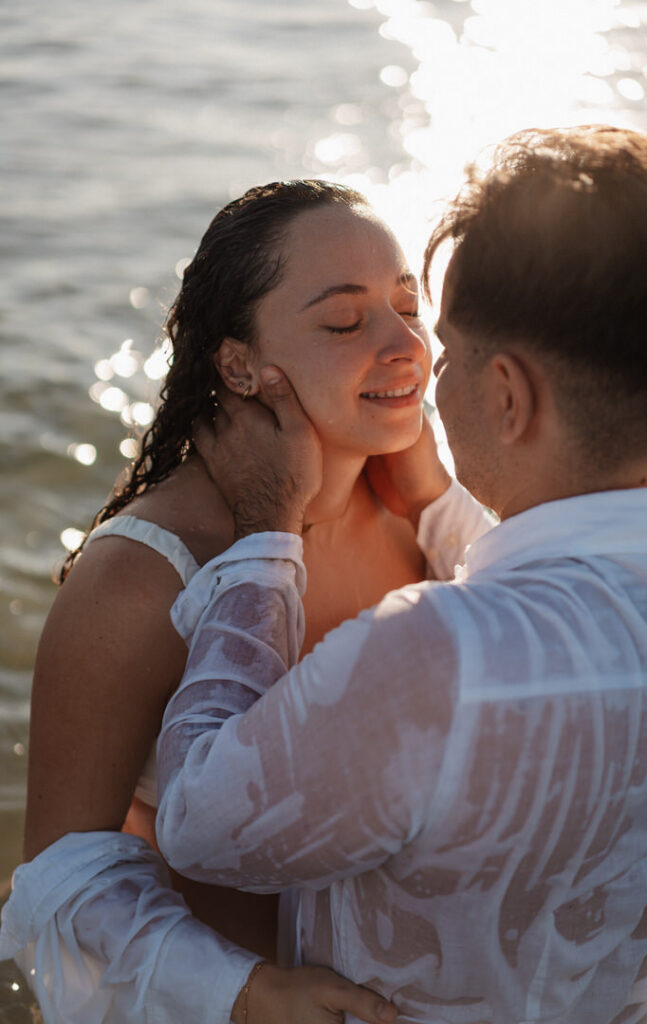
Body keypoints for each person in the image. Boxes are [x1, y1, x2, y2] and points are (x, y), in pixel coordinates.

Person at [153, 126, 647, 1024]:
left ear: (507, 397)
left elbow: (195, 822)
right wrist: (442, 501)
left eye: (445, 345)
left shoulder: (435, 656)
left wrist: (265, 539)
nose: (417, 364)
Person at [0, 180, 491, 1023]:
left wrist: (436, 492)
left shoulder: (433, 528)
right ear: (238, 365)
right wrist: (249, 992)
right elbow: (58, 879)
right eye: (344, 323)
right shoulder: (145, 573)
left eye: (408, 306)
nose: (405, 343)